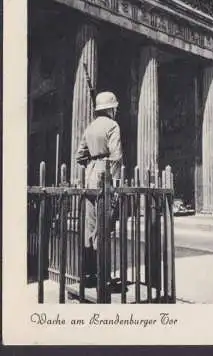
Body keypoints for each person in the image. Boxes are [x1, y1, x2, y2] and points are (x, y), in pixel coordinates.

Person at [76, 91, 123, 287]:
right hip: (105, 178)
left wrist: (92, 163)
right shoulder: (113, 125)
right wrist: (115, 184)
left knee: (90, 228)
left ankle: (88, 276)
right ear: (111, 108)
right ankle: (103, 277)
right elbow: (116, 157)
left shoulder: (90, 127)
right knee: (104, 229)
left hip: (90, 179)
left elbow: (79, 156)